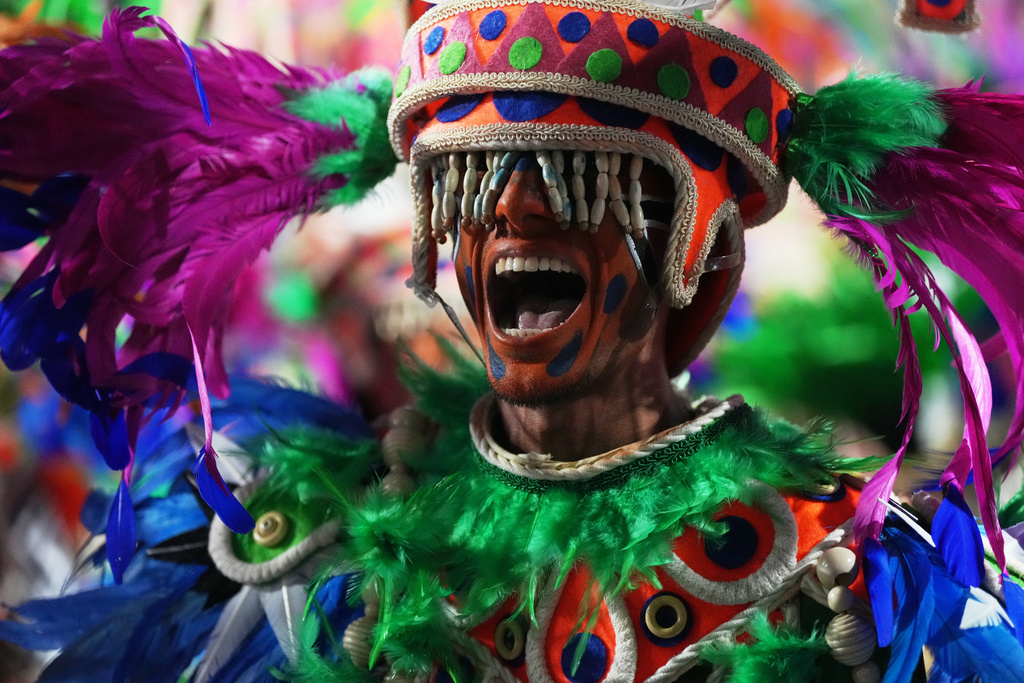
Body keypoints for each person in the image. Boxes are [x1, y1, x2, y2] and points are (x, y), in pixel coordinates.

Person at [2, 1, 1024, 682]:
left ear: (703, 263)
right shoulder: (295, 543)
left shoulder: (852, 577)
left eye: (592, 186)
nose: (515, 218)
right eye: (471, 190)